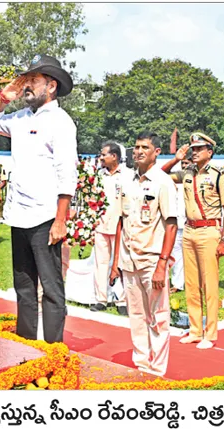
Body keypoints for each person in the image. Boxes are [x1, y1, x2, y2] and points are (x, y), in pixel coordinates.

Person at [0, 54, 77, 343]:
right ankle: (25, 347)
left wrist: (60, 219)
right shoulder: (21, 118)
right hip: (19, 214)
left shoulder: (61, 122)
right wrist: (4, 97)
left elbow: (66, 173)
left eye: (33, 81)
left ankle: (53, 350)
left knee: (50, 288)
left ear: (50, 86)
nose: (26, 86)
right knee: (23, 286)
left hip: (45, 216)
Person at [110, 131, 178, 376]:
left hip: (152, 259)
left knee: (158, 316)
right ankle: (141, 364)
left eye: (144, 147)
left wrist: (162, 263)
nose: (138, 151)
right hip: (129, 259)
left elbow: (171, 225)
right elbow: (120, 221)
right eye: (136, 147)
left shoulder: (163, 182)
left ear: (156, 152)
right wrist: (115, 261)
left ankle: (157, 369)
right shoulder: (127, 181)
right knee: (136, 315)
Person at [162, 133, 224, 350]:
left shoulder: (220, 174)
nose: (194, 152)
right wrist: (175, 158)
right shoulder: (187, 173)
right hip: (190, 230)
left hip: (209, 230)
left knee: (209, 284)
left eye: (198, 149)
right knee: (191, 284)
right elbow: (160, 175)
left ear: (209, 152)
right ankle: (195, 329)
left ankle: (210, 333)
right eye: (192, 149)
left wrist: (223, 239)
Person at [90, 142, 130, 315]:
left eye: (104, 154)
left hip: (121, 226)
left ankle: (121, 300)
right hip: (101, 225)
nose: (101, 158)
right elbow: (92, 200)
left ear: (114, 156)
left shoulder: (128, 175)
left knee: (120, 263)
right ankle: (101, 299)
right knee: (101, 263)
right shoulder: (99, 176)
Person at [169, 154, 192, 294]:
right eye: (183, 163)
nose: (185, 166)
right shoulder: (175, 180)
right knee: (176, 254)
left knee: (194, 256)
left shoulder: (195, 179)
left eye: (187, 163)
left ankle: (196, 282)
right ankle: (178, 283)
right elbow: (162, 173)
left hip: (191, 222)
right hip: (177, 222)